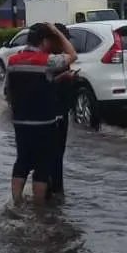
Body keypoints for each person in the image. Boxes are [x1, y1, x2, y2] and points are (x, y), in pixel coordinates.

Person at [5, 22, 77, 206]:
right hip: (44, 122)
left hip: (20, 122)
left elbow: (11, 90)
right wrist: (56, 32)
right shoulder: (47, 61)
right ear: (44, 41)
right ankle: (39, 210)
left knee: (22, 161)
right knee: (43, 166)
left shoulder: (12, 61)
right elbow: (72, 55)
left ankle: (17, 203)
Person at [48, 22, 77, 202]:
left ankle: (56, 190)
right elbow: (44, 84)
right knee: (54, 154)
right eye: (63, 39)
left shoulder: (60, 57)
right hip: (53, 111)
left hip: (62, 109)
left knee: (59, 153)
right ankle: (53, 191)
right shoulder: (50, 59)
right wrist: (63, 77)